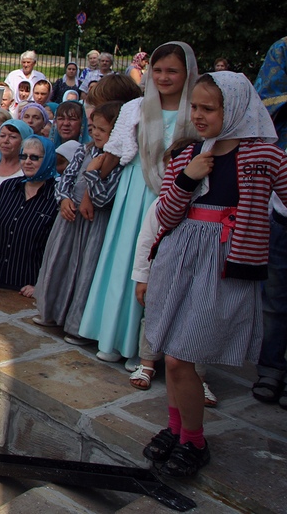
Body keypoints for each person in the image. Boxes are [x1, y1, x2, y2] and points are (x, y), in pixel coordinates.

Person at [141, 71, 287, 477]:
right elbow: (167, 214)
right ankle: (177, 430)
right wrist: (188, 179)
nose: (198, 116)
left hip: (223, 265)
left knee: (179, 358)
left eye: (209, 108)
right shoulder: (187, 155)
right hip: (180, 259)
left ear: (235, 108)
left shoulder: (265, 156)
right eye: (195, 107)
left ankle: (194, 442)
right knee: (171, 352)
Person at [79, 42, 198, 363]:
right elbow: (113, 154)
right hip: (134, 194)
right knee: (125, 263)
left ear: (188, 73)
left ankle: (147, 352)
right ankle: (115, 340)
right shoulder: (136, 108)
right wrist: (89, 192)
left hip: (175, 198)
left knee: (159, 270)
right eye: (157, 70)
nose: (163, 77)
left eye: (172, 71)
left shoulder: (195, 111)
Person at [34, 102, 124, 342]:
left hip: (93, 223)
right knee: (59, 265)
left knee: (85, 272)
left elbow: (104, 197)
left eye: (101, 130)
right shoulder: (85, 150)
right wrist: (64, 199)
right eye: (92, 128)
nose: (95, 134)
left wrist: (94, 172)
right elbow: (68, 177)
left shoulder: (118, 162)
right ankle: (52, 312)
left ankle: (78, 326)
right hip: (70, 218)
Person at [253, 37, 287, 408]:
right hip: (282, 207)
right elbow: (266, 104)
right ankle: (271, 368)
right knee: (276, 295)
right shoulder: (282, 49)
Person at [0, 136, 60, 295]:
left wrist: (41, 286)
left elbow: (58, 250)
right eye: (23, 156)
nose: (27, 161)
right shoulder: (7, 187)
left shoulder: (57, 196)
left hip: (27, 288)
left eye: (34, 157)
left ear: (47, 160)